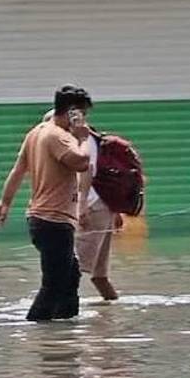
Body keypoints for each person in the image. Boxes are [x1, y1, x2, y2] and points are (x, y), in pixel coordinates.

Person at [0, 85, 93, 322]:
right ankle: (38, 330)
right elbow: (81, 162)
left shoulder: (36, 132)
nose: (85, 120)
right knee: (54, 284)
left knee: (71, 275)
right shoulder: (59, 136)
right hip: (53, 220)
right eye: (82, 114)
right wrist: (82, 137)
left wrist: (5, 202)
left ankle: (65, 326)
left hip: (42, 220)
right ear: (73, 113)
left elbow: (18, 171)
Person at [76, 129, 122, 302]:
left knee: (72, 268)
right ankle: (111, 309)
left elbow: (87, 169)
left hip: (91, 208)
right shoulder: (92, 140)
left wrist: (81, 207)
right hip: (103, 206)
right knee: (99, 276)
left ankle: (61, 309)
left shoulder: (82, 142)